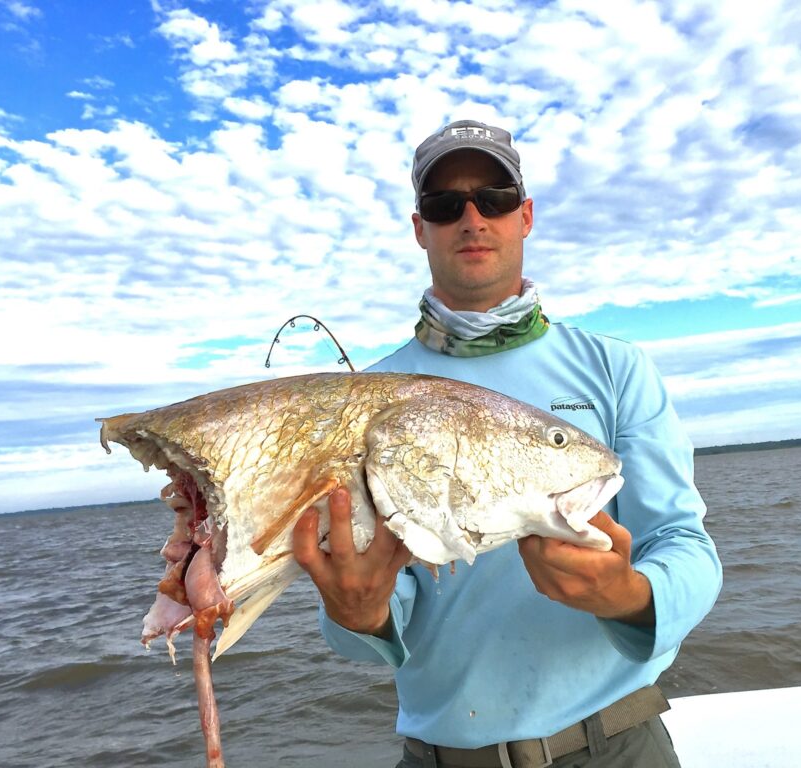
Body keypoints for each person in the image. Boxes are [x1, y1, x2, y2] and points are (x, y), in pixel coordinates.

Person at [292, 119, 722, 768]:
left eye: (493, 198)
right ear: (420, 229)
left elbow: (686, 546)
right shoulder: (369, 398)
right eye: (445, 205)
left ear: (525, 216)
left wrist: (628, 595)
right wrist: (358, 612)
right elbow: (369, 625)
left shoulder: (615, 367)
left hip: (619, 748)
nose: (472, 218)